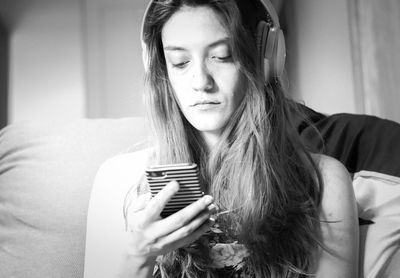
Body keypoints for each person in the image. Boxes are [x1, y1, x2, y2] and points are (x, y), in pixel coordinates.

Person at [84, 0, 359, 277]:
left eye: (222, 56)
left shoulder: (324, 181)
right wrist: (137, 257)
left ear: (264, 60)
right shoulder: (117, 181)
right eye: (180, 63)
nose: (200, 81)